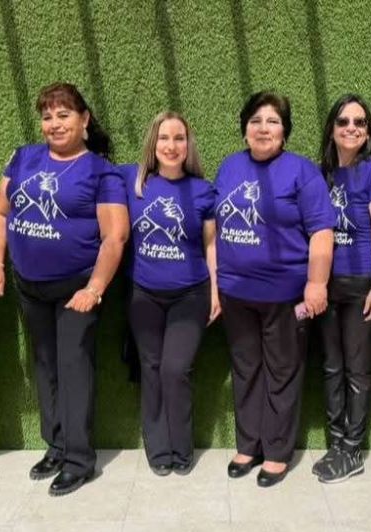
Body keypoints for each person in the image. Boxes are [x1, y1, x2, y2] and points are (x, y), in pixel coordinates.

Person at [0, 82, 129, 496]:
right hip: (30, 287)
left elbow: (115, 237)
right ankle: (57, 446)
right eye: (47, 116)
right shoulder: (23, 158)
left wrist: (95, 288)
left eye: (63, 115)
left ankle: (80, 460)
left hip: (77, 289)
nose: (54, 123)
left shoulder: (101, 172)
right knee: (45, 365)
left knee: (73, 367)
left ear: (84, 120)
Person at [216, 91, 335, 487]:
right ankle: (248, 445)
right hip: (236, 292)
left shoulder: (302, 171)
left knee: (282, 373)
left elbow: (321, 232)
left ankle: (277, 452)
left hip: (285, 296)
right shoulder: (229, 166)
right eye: (255, 121)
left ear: (285, 131)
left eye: (272, 121)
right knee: (246, 369)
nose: (263, 128)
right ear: (244, 129)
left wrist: (316, 282)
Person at [122, 111, 219, 476]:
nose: (171, 145)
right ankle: (158, 448)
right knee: (151, 368)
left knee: (175, 369)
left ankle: (181, 447)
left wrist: (216, 292)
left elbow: (211, 245)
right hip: (143, 294)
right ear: (153, 143)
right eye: (164, 138)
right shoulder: (133, 182)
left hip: (190, 295)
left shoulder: (202, 190)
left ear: (188, 145)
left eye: (179, 138)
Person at [310, 94, 371, 483]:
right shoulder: (319, 174)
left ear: (368, 131)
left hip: (360, 284)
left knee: (357, 370)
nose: (351, 128)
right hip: (326, 285)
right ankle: (336, 443)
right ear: (332, 128)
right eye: (343, 121)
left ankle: (352, 449)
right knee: (331, 367)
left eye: (360, 122)